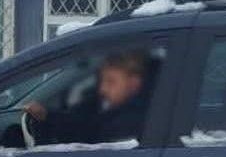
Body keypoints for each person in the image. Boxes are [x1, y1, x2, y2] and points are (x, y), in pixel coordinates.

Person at [23, 49, 151, 146]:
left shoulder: (137, 118)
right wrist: (46, 116)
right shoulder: (98, 102)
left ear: (134, 83)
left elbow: (91, 130)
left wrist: (48, 117)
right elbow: (79, 119)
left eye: (111, 82)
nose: (103, 89)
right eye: (102, 80)